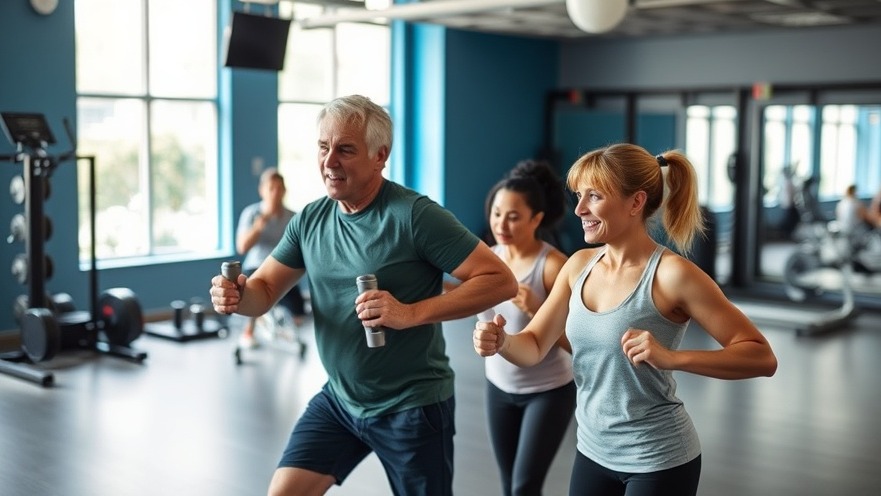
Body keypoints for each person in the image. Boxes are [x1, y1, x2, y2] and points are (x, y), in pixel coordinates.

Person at [210, 94, 518, 496]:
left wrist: (408, 313)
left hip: (412, 405)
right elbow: (264, 290)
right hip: (341, 399)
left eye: (345, 150)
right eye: (323, 147)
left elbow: (499, 280)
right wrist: (237, 296)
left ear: (380, 156)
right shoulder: (310, 220)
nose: (330, 160)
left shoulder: (414, 216)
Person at [473, 143, 778, 496]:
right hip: (592, 452)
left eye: (595, 196)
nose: (580, 209)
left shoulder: (672, 275)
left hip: (658, 459)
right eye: (579, 196)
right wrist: (504, 342)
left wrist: (673, 358)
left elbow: (760, 355)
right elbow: (536, 345)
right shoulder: (578, 266)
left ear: (636, 203)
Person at [480, 159, 575, 496]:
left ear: (537, 219)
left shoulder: (553, 267)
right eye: (496, 213)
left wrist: (538, 309)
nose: (501, 224)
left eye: (514, 216)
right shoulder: (488, 258)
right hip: (498, 388)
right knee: (509, 487)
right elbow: (462, 298)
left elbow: (579, 346)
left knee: (524, 487)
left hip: (548, 392)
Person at [235, 167, 307, 348]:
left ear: (284, 191)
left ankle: (284, 329)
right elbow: (242, 247)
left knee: (298, 312)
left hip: (283, 268)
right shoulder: (251, 214)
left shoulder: (293, 217)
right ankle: (249, 330)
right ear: (262, 191)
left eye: (279, 188)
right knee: (252, 289)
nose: (275, 193)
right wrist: (259, 226)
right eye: (270, 188)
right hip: (256, 266)